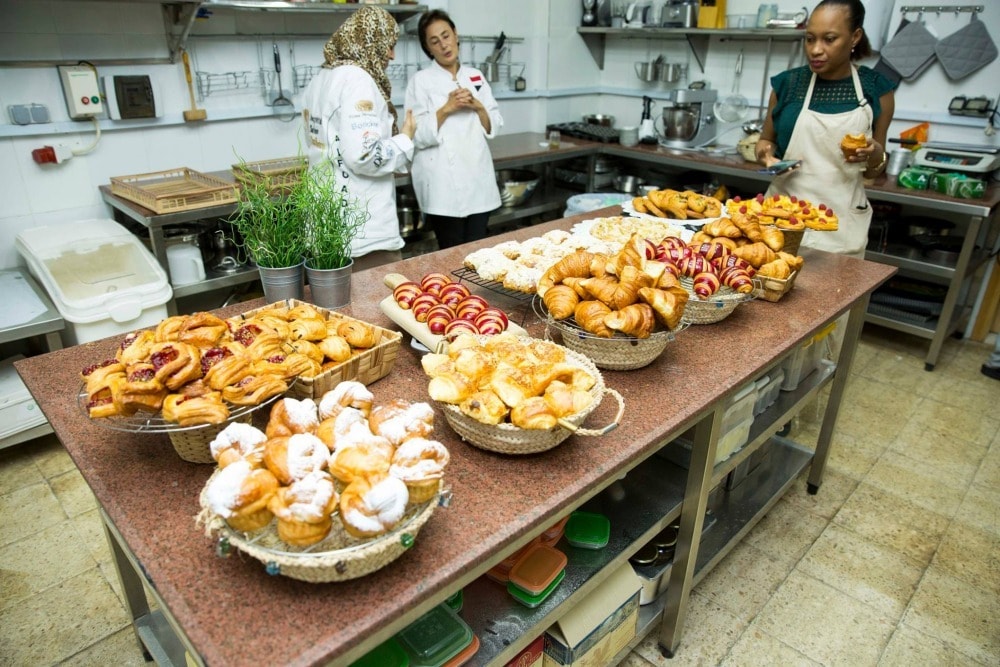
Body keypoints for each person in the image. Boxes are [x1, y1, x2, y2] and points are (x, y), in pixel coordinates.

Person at [756, 0, 897, 259]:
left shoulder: (877, 90)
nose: (816, 50)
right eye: (810, 39)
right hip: (781, 219)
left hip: (840, 225)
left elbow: (875, 170)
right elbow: (765, 140)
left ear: (855, 36)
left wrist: (875, 153)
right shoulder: (788, 84)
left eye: (829, 39)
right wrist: (766, 156)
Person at [301, 6, 416, 272]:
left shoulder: (321, 78)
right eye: (389, 44)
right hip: (363, 235)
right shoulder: (357, 79)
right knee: (378, 298)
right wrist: (406, 137)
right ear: (370, 40)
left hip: (327, 227)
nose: (392, 54)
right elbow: (365, 156)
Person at [404, 9, 504, 250]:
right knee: (451, 253)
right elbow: (415, 135)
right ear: (429, 49)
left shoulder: (476, 77)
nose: (444, 45)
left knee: (479, 252)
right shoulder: (421, 81)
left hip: (478, 180)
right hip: (443, 187)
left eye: (446, 36)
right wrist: (447, 108)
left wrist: (477, 106)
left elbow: (494, 124)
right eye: (434, 41)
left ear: (456, 35)